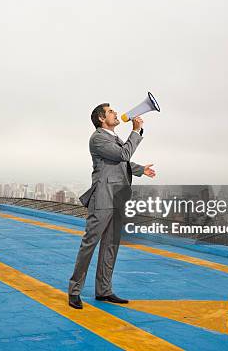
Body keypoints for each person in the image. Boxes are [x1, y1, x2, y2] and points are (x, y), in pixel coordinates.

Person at [68, 103, 156, 309]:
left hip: (116, 199)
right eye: (110, 112)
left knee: (110, 247)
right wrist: (135, 131)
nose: (115, 113)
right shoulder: (98, 138)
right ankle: (74, 291)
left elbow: (121, 162)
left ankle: (104, 290)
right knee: (89, 245)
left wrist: (141, 169)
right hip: (102, 199)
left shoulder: (114, 139)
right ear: (101, 118)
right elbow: (123, 155)